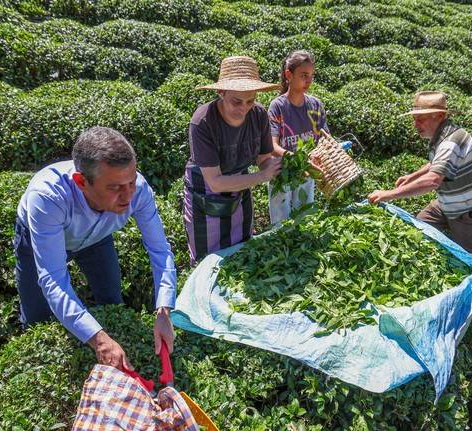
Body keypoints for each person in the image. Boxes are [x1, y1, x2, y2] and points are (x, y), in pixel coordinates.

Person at [14, 127, 176, 370]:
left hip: (97, 239)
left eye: (131, 182)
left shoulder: (138, 190)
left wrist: (164, 310)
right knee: (38, 318)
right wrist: (98, 340)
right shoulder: (47, 197)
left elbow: (160, 251)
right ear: (81, 182)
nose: (128, 195)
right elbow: (54, 279)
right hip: (39, 239)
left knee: (111, 300)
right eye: (115, 187)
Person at [368, 91, 472, 255]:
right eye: (414, 119)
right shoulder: (443, 135)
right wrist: (412, 176)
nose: (415, 125)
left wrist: (388, 194)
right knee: (421, 224)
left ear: (438, 116)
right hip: (448, 204)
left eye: (420, 119)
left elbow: (433, 180)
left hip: (471, 212)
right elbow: (437, 163)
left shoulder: (450, 142)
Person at [183, 55, 282, 264]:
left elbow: (263, 157)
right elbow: (215, 182)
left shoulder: (259, 115)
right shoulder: (203, 122)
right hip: (206, 188)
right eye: (236, 101)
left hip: (242, 183)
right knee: (207, 259)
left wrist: (276, 167)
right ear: (221, 92)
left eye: (250, 101)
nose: (244, 108)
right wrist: (263, 176)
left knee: (242, 250)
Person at [268, 50, 329, 225]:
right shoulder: (277, 107)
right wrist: (296, 158)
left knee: (305, 221)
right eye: (303, 75)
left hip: (306, 173)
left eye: (311, 76)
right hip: (282, 175)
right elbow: (272, 145)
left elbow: (325, 140)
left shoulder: (315, 106)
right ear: (289, 74)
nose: (308, 80)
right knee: (281, 228)